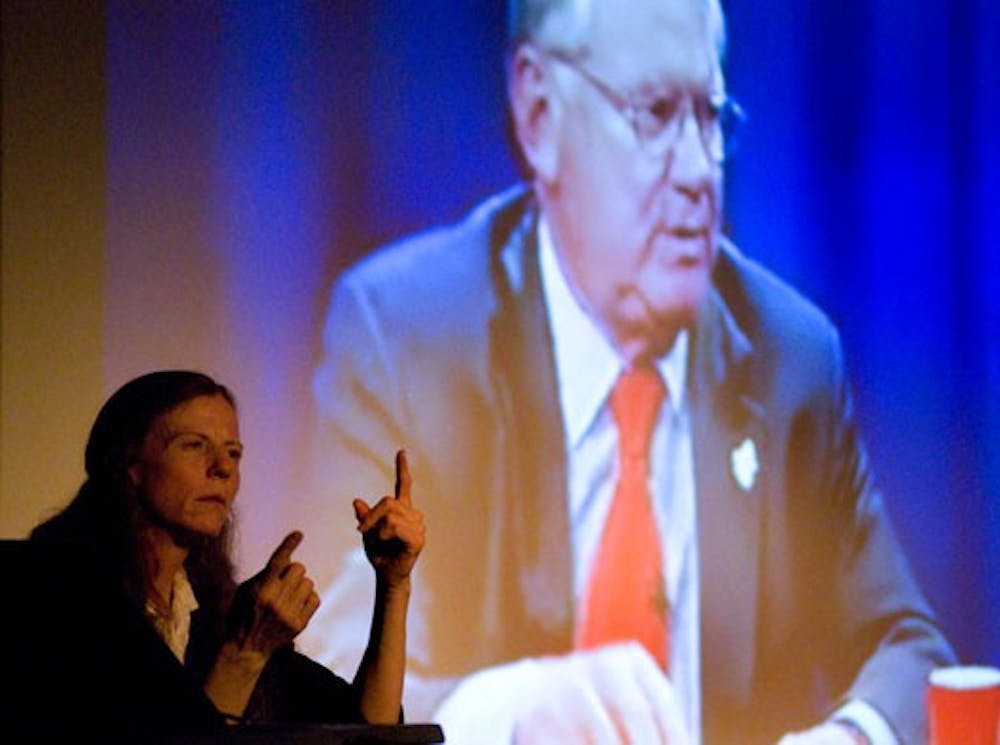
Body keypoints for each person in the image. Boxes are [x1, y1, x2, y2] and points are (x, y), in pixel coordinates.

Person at [299, 0, 956, 743]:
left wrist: (845, 740)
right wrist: (506, 713)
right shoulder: (405, 337)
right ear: (540, 114)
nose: (700, 170)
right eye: (654, 114)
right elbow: (322, 670)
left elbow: (910, 652)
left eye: (710, 118)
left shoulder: (789, 357)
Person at [3, 370, 424, 739]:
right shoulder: (49, 594)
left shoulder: (214, 617)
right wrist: (243, 655)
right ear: (129, 463)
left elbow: (368, 732)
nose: (222, 467)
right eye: (194, 445)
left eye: (233, 453)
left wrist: (393, 585)